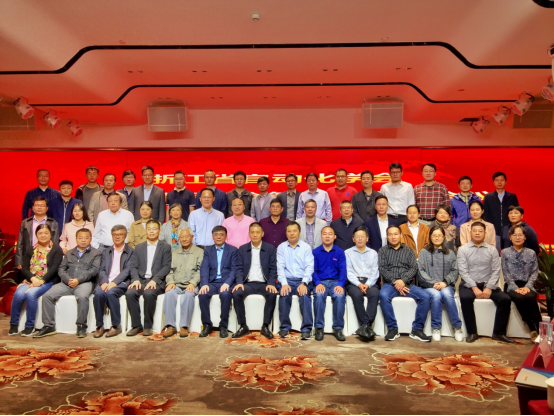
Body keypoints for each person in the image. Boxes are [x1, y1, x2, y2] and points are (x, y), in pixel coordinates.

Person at [34, 229, 102, 339]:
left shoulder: (96, 253)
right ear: (76, 239)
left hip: (84, 283)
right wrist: (68, 279)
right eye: (80, 238)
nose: (83, 240)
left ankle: (81, 326)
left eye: (86, 238)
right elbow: (61, 269)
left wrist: (78, 280)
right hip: (67, 283)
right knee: (47, 296)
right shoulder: (69, 253)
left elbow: (94, 270)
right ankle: (49, 326)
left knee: (82, 296)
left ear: (90, 239)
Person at [458, 222, 514, 344]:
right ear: (470, 233)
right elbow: (463, 272)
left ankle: (499, 333)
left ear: (485, 233)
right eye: (475, 231)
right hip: (469, 285)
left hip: (488, 284)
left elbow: (496, 271)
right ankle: (472, 332)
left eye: (480, 231)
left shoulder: (492, 250)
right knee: (465, 297)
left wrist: (488, 288)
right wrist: (474, 288)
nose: (477, 233)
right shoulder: (463, 250)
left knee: (505, 299)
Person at [8, 224, 64, 337]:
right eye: (40, 233)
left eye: (46, 233)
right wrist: (33, 279)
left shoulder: (56, 249)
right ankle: (14, 324)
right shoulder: (31, 249)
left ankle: (29, 326)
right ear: (36, 235)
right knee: (18, 294)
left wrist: (41, 281)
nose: (43, 235)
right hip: (31, 279)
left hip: (48, 280)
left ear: (51, 235)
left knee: (31, 294)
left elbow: (54, 269)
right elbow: (24, 268)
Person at [379, 225, 432, 343]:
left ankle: (417, 330)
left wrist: (403, 281)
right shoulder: (382, 251)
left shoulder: (409, 250)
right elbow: (383, 269)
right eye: (390, 234)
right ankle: (392, 329)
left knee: (425, 297)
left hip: (408, 284)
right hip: (390, 284)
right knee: (383, 295)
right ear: (387, 236)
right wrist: (396, 282)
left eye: (396, 234)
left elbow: (413, 268)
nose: (393, 237)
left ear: (401, 235)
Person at [125, 220, 172, 337]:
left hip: (157, 281)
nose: (151, 231)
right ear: (146, 231)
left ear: (159, 231)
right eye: (149, 229)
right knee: (130, 293)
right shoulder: (139, 247)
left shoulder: (165, 247)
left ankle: (147, 326)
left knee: (149, 293)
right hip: (141, 280)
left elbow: (166, 266)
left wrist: (155, 280)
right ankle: (136, 325)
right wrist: (135, 279)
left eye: (154, 229)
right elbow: (133, 266)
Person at [232, 223, 278, 339]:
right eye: (252, 232)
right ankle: (243, 326)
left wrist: (271, 283)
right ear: (249, 234)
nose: (255, 235)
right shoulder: (242, 249)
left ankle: (265, 326)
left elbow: (273, 268)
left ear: (262, 234)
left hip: (264, 284)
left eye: (258, 232)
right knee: (236, 293)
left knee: (272, 293)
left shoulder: (270, 248)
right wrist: (239, 282)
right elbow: (239, 268)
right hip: (248, 283)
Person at [418, 227, 464, 342]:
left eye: (439, 235)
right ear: (430, 237)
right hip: (429, 286)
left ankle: (457, 327)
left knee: (447, 295)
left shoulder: (450, 253)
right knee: (436, 295)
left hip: (446, 285)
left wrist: (445, 282)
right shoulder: (424, 252)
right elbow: (421, 270)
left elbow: (455, 271)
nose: (437, 237)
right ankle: (436, 327)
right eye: (434, 235)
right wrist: (433, 283)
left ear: (443, 237)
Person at [93, 225, 137, 338]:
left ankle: (116, 325)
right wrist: (104, 282)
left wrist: (115, 282)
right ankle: (99, 325)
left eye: (120, 234)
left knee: (110, 293)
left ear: (125, 236)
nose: (117, 237)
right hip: (106, 281)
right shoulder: (106, 251)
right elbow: (102, 269)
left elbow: (128, 270)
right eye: (115, 235)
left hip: (121, 282)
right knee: (98, 294)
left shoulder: (131, 252)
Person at [162, 227, 204, 339]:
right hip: (176, 284)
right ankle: (170, 326)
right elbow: (169, 271)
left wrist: (193, 283)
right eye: (182, 237)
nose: (184, 239)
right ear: (178, 239)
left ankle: (184, 326)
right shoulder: (174, 253)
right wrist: (171, 282)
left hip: (191, 284)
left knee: (189, 295)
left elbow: (200, 271)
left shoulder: (199, 252)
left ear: (192, 237)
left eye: (186, 236)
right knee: (169, 293)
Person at [502, 225, 541, 342]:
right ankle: (532, 328)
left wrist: (527, 286)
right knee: (518, 297)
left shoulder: (531, 253)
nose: (517, 237)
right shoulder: (505, 252)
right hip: (511, 285)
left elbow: (535, 272)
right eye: (514, 235)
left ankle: (540, 329)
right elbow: (505, 273)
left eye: (520, 235)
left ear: (525, 237)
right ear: (510, 237)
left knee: (530, 297)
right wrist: (515, 287)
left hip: (528, 285)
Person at [276, 221, 315, 341]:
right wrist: (284, 284)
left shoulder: (306, 247)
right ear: (286, 233)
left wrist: (304, 283)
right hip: (287, 280)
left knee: (304, 295)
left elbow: (309, 267)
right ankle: (284, 327)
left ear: (299, 233)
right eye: (289, 231)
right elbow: (280, 267)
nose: (292, 233)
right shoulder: (281, 247)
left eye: (294, 231)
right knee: (284, 294)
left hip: (302, 280)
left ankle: (306, 329)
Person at [198, 226, 238, 338]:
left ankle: (223, 326)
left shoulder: (233, 250)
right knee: (203, 294)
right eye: (216, 234)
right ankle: (207, 325)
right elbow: (204, 268)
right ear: (212, 237)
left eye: (221, 234)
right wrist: (204, 284)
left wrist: (227, 283)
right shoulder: (207, 251)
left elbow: (234, 269)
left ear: (226, 236)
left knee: (225, 294)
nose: (218, 237)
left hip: (226, 282)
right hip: (212, 282)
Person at [345, 226, 380, 341]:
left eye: (362, 236)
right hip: (354, 282)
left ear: (367, 238)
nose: (360, 239)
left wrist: (368, 284)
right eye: (357, 236)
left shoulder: (373, 253)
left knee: (374, 294)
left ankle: (364, 326)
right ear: (353, 239)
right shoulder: (348, 253)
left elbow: (375, 272)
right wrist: (359, 284)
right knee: (357, 295)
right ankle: (367, 327)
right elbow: (349, 272)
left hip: (370, 282)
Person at [312, 227, 347, 342]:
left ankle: (338, 328)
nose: (327, 236)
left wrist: (340, 284)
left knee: (339, 296)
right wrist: (317, 283)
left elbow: (343, 271)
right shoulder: (315, 252)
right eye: (325, 234)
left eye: (330, 234)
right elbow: (313, 270)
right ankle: (319, 328)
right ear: (321, 236)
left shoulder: (340, 252)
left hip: (335, 282)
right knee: (319, 295)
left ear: (334, 236)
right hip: (321, 281)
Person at [15, 197, 60, 271]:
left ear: (47, 208)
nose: (39, 208)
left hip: (46, 256)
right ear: (33, 208)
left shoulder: (53, 223)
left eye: (42, 205)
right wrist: (18, 261)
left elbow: (55, 242)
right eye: (37, 205)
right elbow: (20, 243)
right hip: (28, 255)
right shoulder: (26, 223)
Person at [483, 172, 520, 245]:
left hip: (509, 231)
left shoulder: (512, 197)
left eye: (502, 180)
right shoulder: (488, 197)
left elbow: (517, 213)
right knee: (495, 251)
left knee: (509, 251)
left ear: (506, 182)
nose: (499, 182)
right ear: (493, 182)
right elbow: (485, 215)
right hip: (494, 232)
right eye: (497, 180)